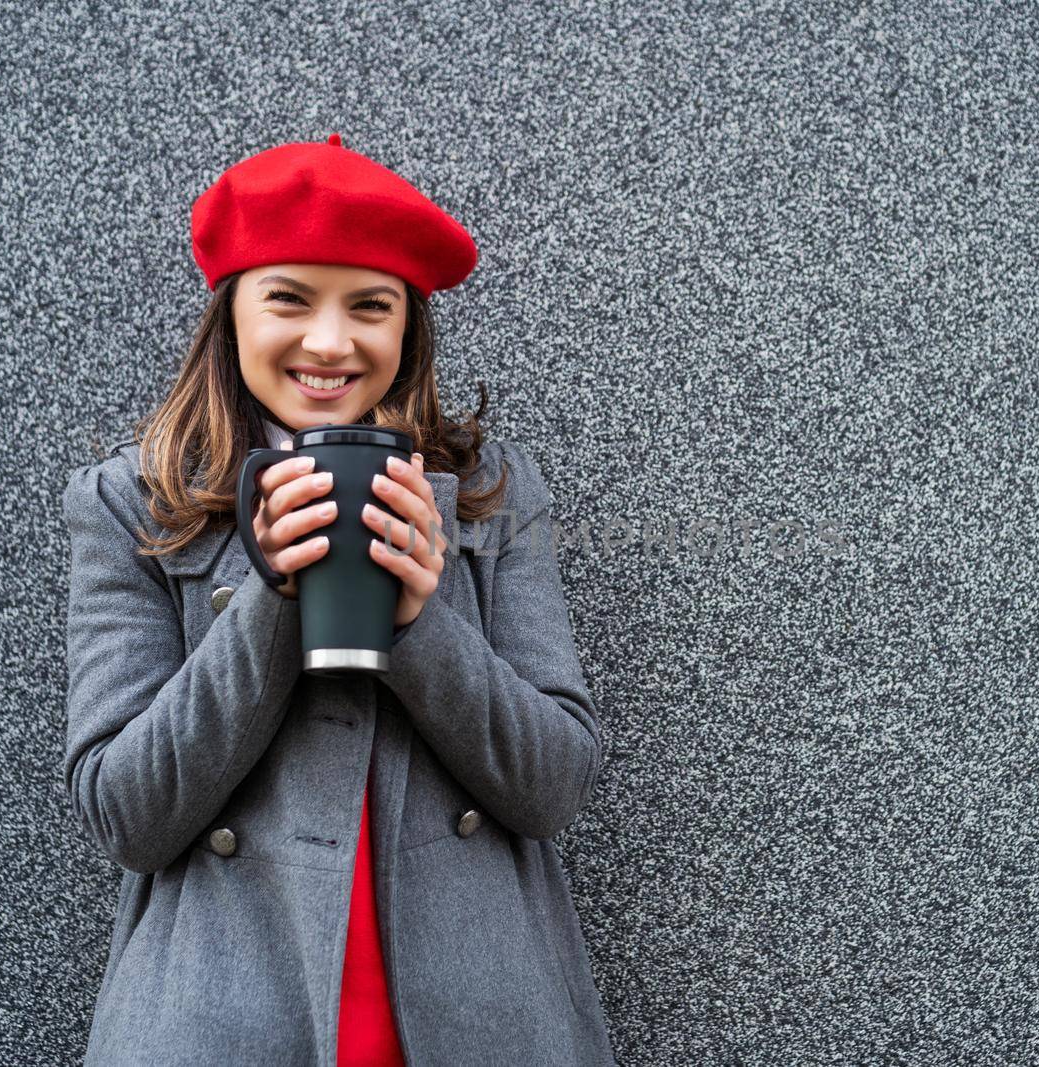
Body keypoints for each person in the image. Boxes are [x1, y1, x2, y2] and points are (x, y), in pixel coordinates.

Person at [61, 134, 615, 1065]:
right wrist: (272, 597)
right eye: (288, 297)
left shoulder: (491, 491)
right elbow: (128, 814)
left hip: (482, 1021)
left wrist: (419, 623)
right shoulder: (130, 503)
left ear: (408, 331)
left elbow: (554, 784)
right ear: (230, 312)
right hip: (219, 1023)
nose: (330, 341)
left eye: (371, 306)